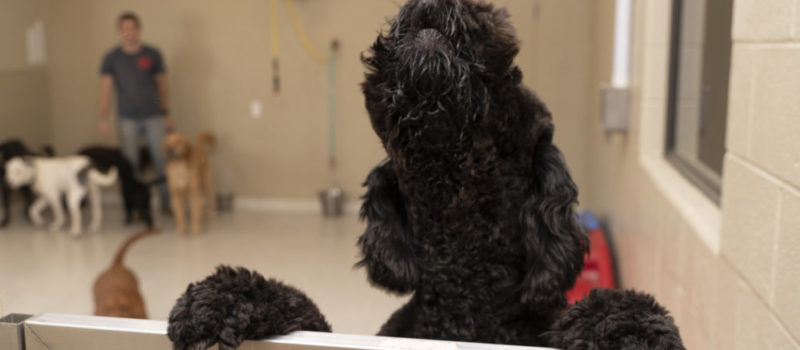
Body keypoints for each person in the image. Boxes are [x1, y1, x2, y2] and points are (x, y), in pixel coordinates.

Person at [98, 11, 171, 214]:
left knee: (161, 159)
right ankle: (135, 207)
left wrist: (165, 113)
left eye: (132, 28)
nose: (129, 32)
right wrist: (103, 118)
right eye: (125, 29)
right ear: (119, 32)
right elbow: (106, 90)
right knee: (131, 165)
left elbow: (162, 87)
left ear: (139, 30)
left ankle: (166, 203)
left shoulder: (153, 54)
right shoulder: (111, 58)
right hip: (127, 118)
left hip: (154, 117)